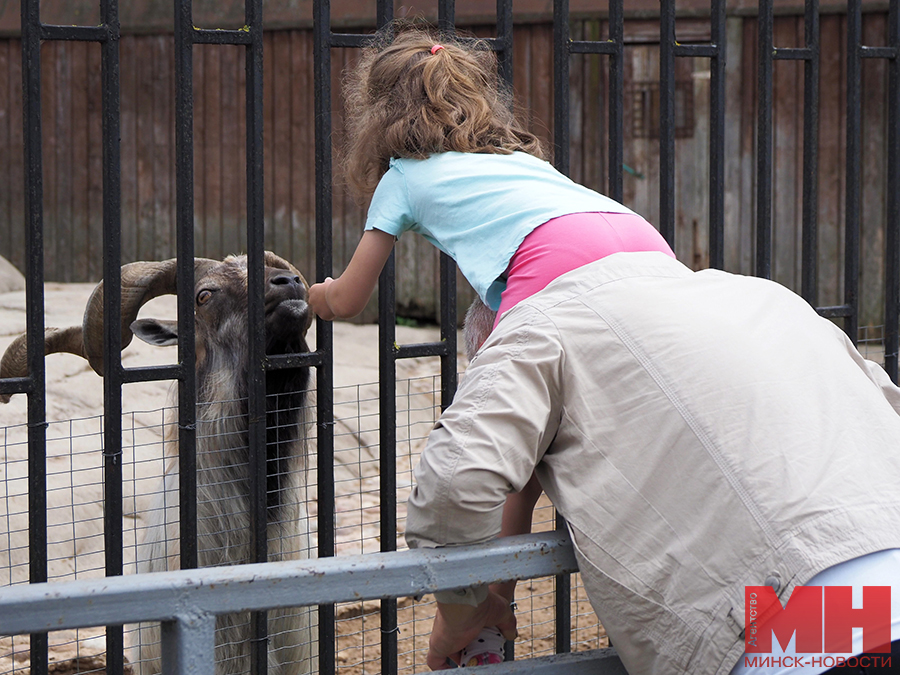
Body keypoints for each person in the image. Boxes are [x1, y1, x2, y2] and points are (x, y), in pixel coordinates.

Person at [309, 23, 900, 675]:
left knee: (517, 430)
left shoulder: (413, 188)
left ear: (382, 112)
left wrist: (306, 296)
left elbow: (353, 305)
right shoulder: (759, 297)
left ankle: (485, 605)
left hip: (818, 635)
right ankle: (498, 592)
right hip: (641, 244)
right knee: (532, 433)